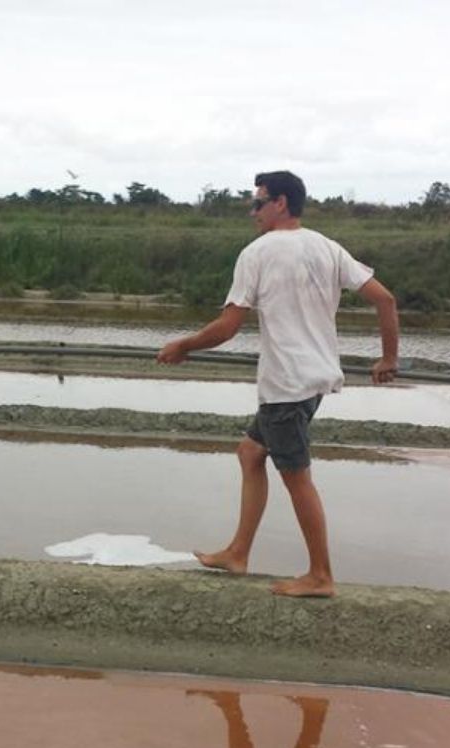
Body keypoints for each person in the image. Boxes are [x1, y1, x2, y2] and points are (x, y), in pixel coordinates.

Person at [157, 170, 399, 598]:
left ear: (280, 203)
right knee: (251, 453)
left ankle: (321, 575)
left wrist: (185, 346)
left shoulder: (258, 253)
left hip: (286, 383)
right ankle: (238, 552)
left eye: (257, 203)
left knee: (296, 477)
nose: (253, 212)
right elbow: (385, 299)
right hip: (312, 380)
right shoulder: (328, 247)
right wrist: (389, 357)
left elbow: (229, 326)